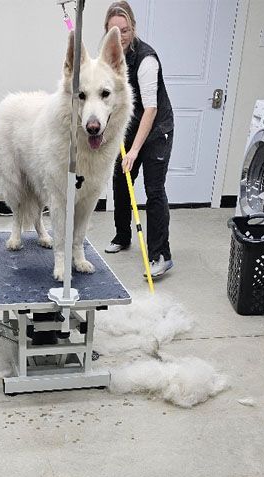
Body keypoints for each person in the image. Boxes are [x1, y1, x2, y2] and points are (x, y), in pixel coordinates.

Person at [103, 2, 174, 278]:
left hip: (156, 129)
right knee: (121, 183)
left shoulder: (146, 60)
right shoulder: (109, 58)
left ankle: (161, 255)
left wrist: (133, 150)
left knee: (154, 190)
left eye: (126, 30)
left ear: (133, 28)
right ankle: (122, 237)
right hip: (130, 127)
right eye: (115, 31)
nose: (121, 36)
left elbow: (151, 109)